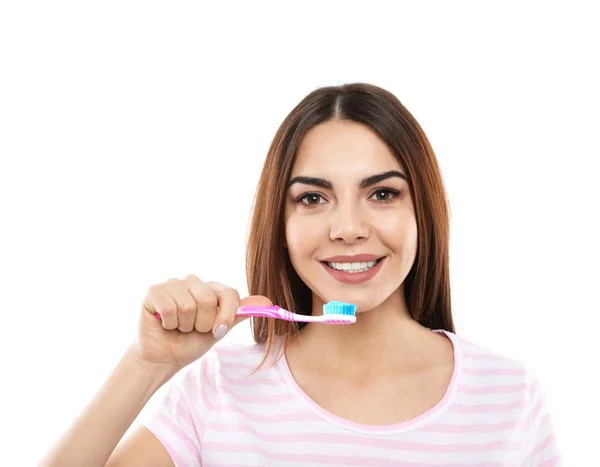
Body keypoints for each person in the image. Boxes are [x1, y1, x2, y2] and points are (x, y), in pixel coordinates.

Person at [40, 83, 563, 466]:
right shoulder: (217, 394)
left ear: (422, 211)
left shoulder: (510, 396)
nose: (348, 228)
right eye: (313, 198)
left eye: (382, 193)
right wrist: (147, 365)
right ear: (282, 223)